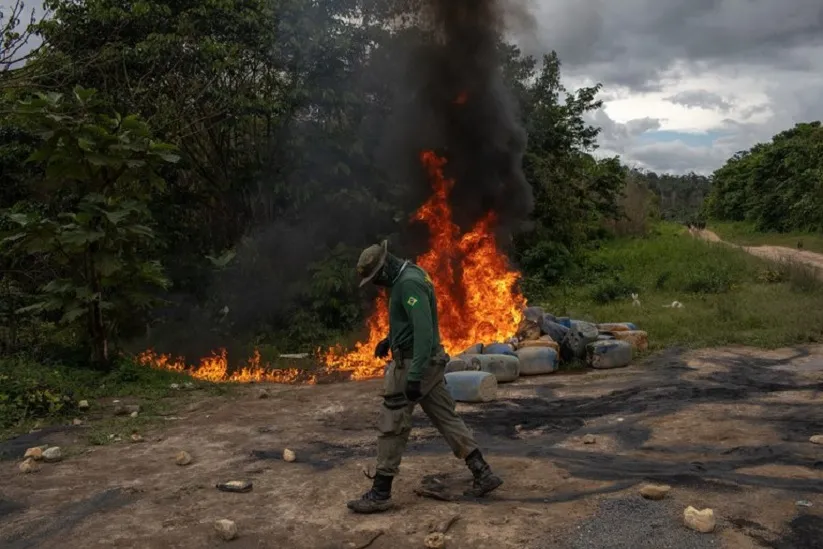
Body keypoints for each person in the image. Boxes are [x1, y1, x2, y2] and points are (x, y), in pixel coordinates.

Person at [347, 240, 503, 514]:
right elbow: (410, 322)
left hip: (414, 364)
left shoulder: (408, 284)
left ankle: (381, 493)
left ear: (383, 269)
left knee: (392, 423)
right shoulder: (408, 276)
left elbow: (424, 332)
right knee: (447, 417)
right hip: (422, 361)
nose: (376, 284)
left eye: (375, 278)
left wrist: (415, 376)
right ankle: (482, 472)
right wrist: (390, 339)